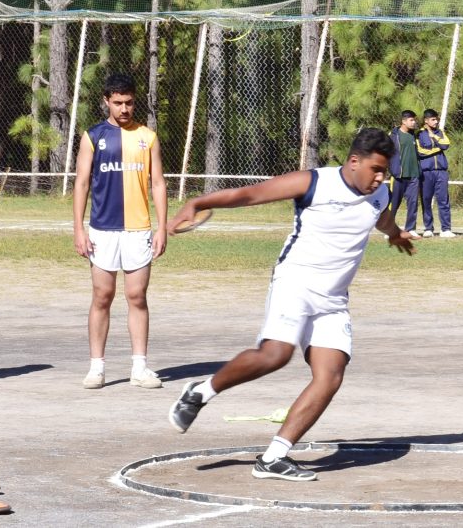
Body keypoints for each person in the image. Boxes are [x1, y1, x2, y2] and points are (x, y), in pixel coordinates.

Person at [167, 128, 417, 481]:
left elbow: (382, 216)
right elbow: (250, 194)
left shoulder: (378, 194)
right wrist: (198, 203)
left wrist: (395, 234)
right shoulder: (313, 182)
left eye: (385, 172)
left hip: (333, 298)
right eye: (375, 169)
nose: (380, 178)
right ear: (354, 161)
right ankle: (201, 391)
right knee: (275, 355)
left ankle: (273, 458)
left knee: (330, 376)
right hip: (295, 282)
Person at [73, 73, 167, 390]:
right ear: (106, 102)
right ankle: (96, 368)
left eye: (129, 102)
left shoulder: (147, 137)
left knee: (137, 296)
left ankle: (139, 368)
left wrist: (162, 228)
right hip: (102, 229)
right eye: (118, 103)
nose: (124, 109)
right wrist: (79, 229)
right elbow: (81, 183)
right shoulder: (92, 136)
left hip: (138, 230)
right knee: (102, 296)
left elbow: (158, 183)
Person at [416, 109, 454, 238]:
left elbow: (446, 144)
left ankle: (446, 229)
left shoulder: (440, 132)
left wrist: (434, 136)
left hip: (441, 172)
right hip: (426, 173)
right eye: (433, 119)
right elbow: (420, 152)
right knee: (426, 200)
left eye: (436, 119)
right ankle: (428, 228)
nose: (436, 121)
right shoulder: (419, 134)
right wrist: (438, 148)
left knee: (443, 200)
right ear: (426, 120)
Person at [388, 110, 421, 238]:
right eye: (411, 120)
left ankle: (410, 228)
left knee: (413, 203)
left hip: (413, 175)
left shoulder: (414, 136)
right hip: (398, 176)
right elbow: (386, 153)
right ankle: (389, 229)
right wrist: (392, 169)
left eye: (414, 120)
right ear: (403, 121)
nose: (414, 122)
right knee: (394, 203)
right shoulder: (394, 136)